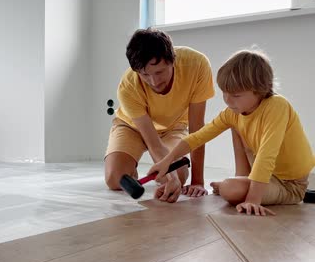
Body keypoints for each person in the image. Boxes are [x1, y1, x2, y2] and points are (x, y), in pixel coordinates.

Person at [148, 49, 314, 215]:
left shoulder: (277, 106)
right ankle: (239, 182)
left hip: (290, 184)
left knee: (230, 189)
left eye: (235, 95)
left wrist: (252, 200)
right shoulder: (234, 112)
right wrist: (167, 160)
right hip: (268, 176)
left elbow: (266, 155)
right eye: (224, 93)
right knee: (235, 123)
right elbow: (198, 137)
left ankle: (238, 186)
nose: (227, 100)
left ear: (260, 90)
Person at [105, 28, 215, 202]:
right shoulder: (128, 87)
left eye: (159, 72)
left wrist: (197, 182)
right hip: (131, 127)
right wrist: (170, 178)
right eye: (145, 75)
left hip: (173, 127)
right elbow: (154, 144)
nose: (154, 82)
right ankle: (129, 165)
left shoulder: (197, 65)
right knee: (115, 179)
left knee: (179, 174)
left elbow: (196, 130)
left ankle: (167, 174)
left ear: (173, 61)